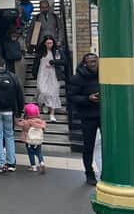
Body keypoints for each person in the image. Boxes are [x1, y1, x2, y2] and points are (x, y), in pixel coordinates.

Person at [0, 56, 24, 174]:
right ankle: (11, 163)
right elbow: (20, 95)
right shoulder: (13, 77)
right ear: (4, 65)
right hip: (10, 111)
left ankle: (1, 164)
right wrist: (19, 111)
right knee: (10, 136)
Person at [68, 53, 101, 185]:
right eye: (90, 62)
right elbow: (71, 96)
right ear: (85, 63)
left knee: (109, 145)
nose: (93, 64)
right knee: (88, 146)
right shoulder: (78, 78)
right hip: (88, 116)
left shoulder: (103, 74)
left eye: (95, 61)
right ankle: (89, 173)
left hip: (104, 115)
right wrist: (88, 98)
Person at [35, 36, 65, 122]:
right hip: (43, 73)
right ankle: (45, 103)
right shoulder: (41, 52)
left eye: (51, 43)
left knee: (53, 93)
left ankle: (52, 114)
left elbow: (64, 61)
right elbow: (36, 63)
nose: (49, 45)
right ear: (44, 43)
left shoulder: (56, 51)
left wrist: (53, 62)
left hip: (53, 74)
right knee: (42, 90)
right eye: (48, 43)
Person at [17, 103, 47, 173]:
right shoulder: (41, 122)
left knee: (31, 153)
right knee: (39, 152)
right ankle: (41, 162)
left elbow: (18, 124)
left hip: (29, 141)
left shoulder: (26, 122)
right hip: (38, 141)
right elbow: (43, 130)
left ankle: (33, 167)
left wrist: (16, 119)